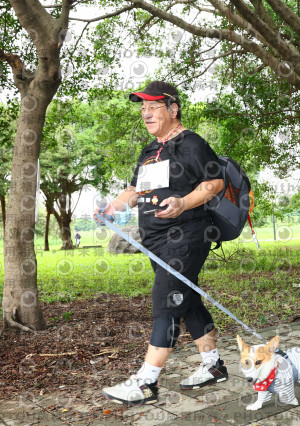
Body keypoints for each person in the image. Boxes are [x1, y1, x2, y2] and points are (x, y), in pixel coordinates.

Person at [97, 81, 227, 405]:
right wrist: (111, 209)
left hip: (186, 237)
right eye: (142, 108)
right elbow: (133, 192)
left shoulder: (191, 143)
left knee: (166, 303)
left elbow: (215, 183)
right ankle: (214, 366)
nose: (145, 113)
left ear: (173, 109)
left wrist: (183, 202)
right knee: (187, 301)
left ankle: (146, 383)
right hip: (154, 241)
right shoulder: (148, 151)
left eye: (153, 107)